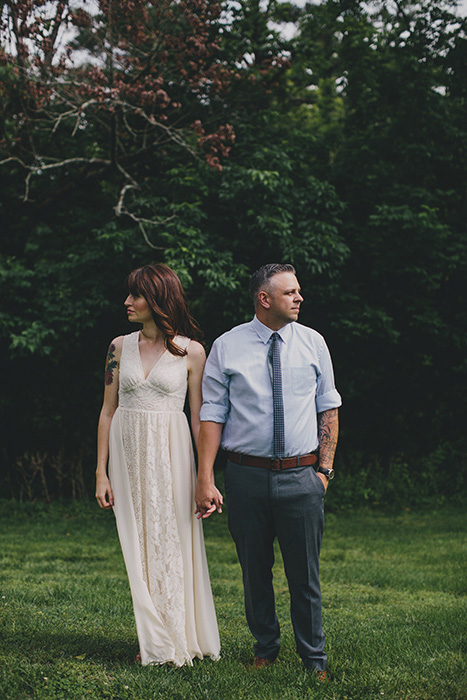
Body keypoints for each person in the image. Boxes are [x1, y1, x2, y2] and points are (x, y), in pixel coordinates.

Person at [195, 263, 341, 678]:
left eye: (298, 291)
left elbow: (327, 408)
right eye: (290, 292)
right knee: (254, 571)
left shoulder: (313, 343)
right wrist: (205, 477)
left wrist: (324, 472)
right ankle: (265, 647)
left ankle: (314, 659)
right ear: (264, 299)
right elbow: (213, 413)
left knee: (305, 577)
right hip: (245, 477)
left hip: (302, 477)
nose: (299, 298)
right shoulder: (228, 345)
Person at [95, 263, 220, 667]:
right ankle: (153, 637)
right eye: (129, 294)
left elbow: (200, 418)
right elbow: (107, 411)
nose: (127, 302)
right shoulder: (118, 347)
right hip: (127, 454)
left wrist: (206, 476)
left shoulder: (192, 351)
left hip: (173, 453)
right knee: (137, 543)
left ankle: (175, 636)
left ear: (159, 299)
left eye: (136, 295)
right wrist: (101, 471)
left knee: (171, 539)